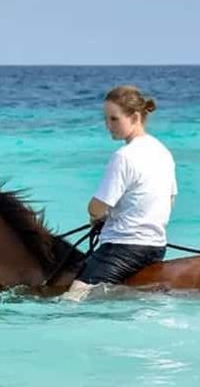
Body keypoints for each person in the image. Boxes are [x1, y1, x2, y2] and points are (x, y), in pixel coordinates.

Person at [71, 85, 177, 291]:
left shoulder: (124, 156)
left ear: (136, 117)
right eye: (106, 119)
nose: (108, 125)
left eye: (114, 119)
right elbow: (169, 201)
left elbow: (97, 207)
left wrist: (96, 217)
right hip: (156, 248)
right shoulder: (163, 152)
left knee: (73, 298)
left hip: (122, 247)